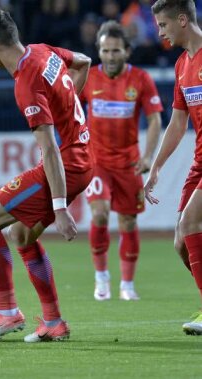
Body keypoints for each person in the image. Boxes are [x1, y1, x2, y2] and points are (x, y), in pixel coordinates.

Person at [0, 9, 93, 345]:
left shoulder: (26, 81)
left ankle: (7, 312)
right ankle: (53, 322)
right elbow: (83, 61)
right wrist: (68, 105)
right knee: (21, 235)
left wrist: (60, 208)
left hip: (66, 164)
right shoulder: (43, 51)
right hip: (83, 157)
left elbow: (50, 149)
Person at [80, 20, 162, 302]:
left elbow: (154, 120)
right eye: (105, 51)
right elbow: (67, 110)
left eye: (116, 51)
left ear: (127, 52)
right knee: (100, 214)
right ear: (99, 51)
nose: (110, 56)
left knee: (127, 222)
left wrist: (149, 155)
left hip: (129, 163)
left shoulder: (140, 79)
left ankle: (127, 284)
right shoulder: (88, 78)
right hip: (97, 161)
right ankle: (101, 279)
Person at [147, 0, 202, 335]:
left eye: (163, 26)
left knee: (192, 220)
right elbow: (178, 123)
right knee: (182, 242)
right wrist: (155, 168)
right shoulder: (183, 64)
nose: (160, 33)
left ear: (182, 20)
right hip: (199, 160)